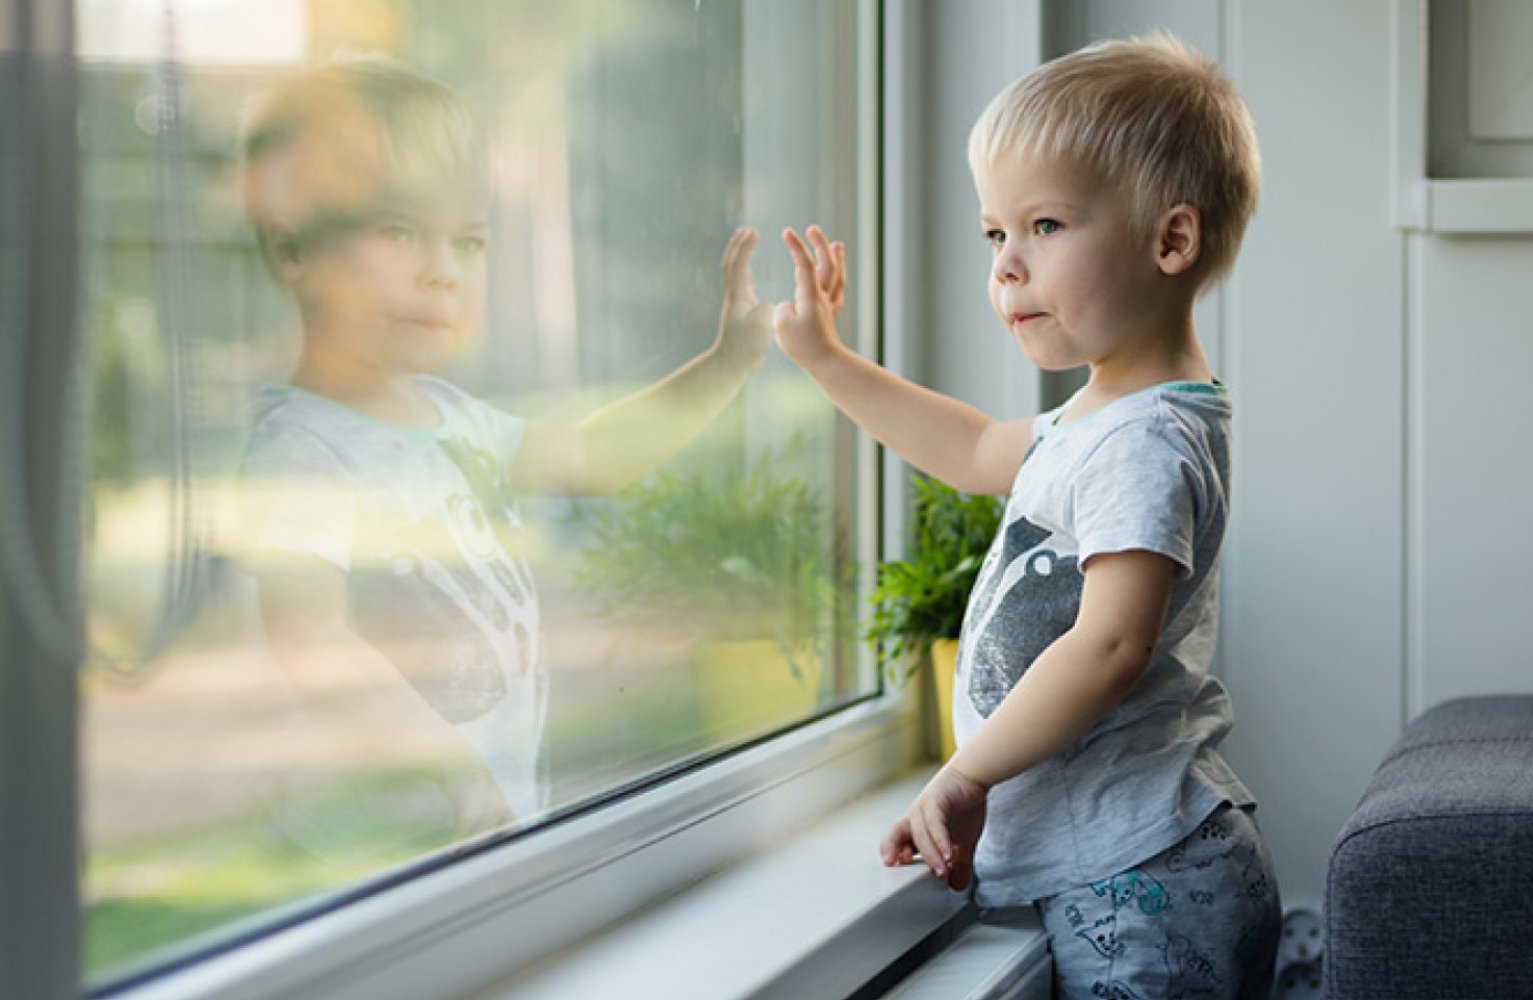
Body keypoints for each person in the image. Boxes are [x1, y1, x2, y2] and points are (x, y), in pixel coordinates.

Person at [772, 32, 1280, 997]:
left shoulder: (1143, 443)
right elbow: (967, 451)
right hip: (1124, 871)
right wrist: (827, 361)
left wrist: (966, 773)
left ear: (1171, 240)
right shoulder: (1103, 417)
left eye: (1044, 226)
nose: (1006, 266)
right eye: (993, 234)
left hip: (1146, 883)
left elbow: (1107, 648)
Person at [236, 54, 773, 836]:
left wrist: (726, 364)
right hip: (376, 848)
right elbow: (308, 639)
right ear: (291, 250)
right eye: (398, 231)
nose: (442, 273)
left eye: (469, 242)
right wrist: (444, 762)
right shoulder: (303, 449)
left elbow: (595, 457)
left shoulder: (459, 421)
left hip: (478, 830)